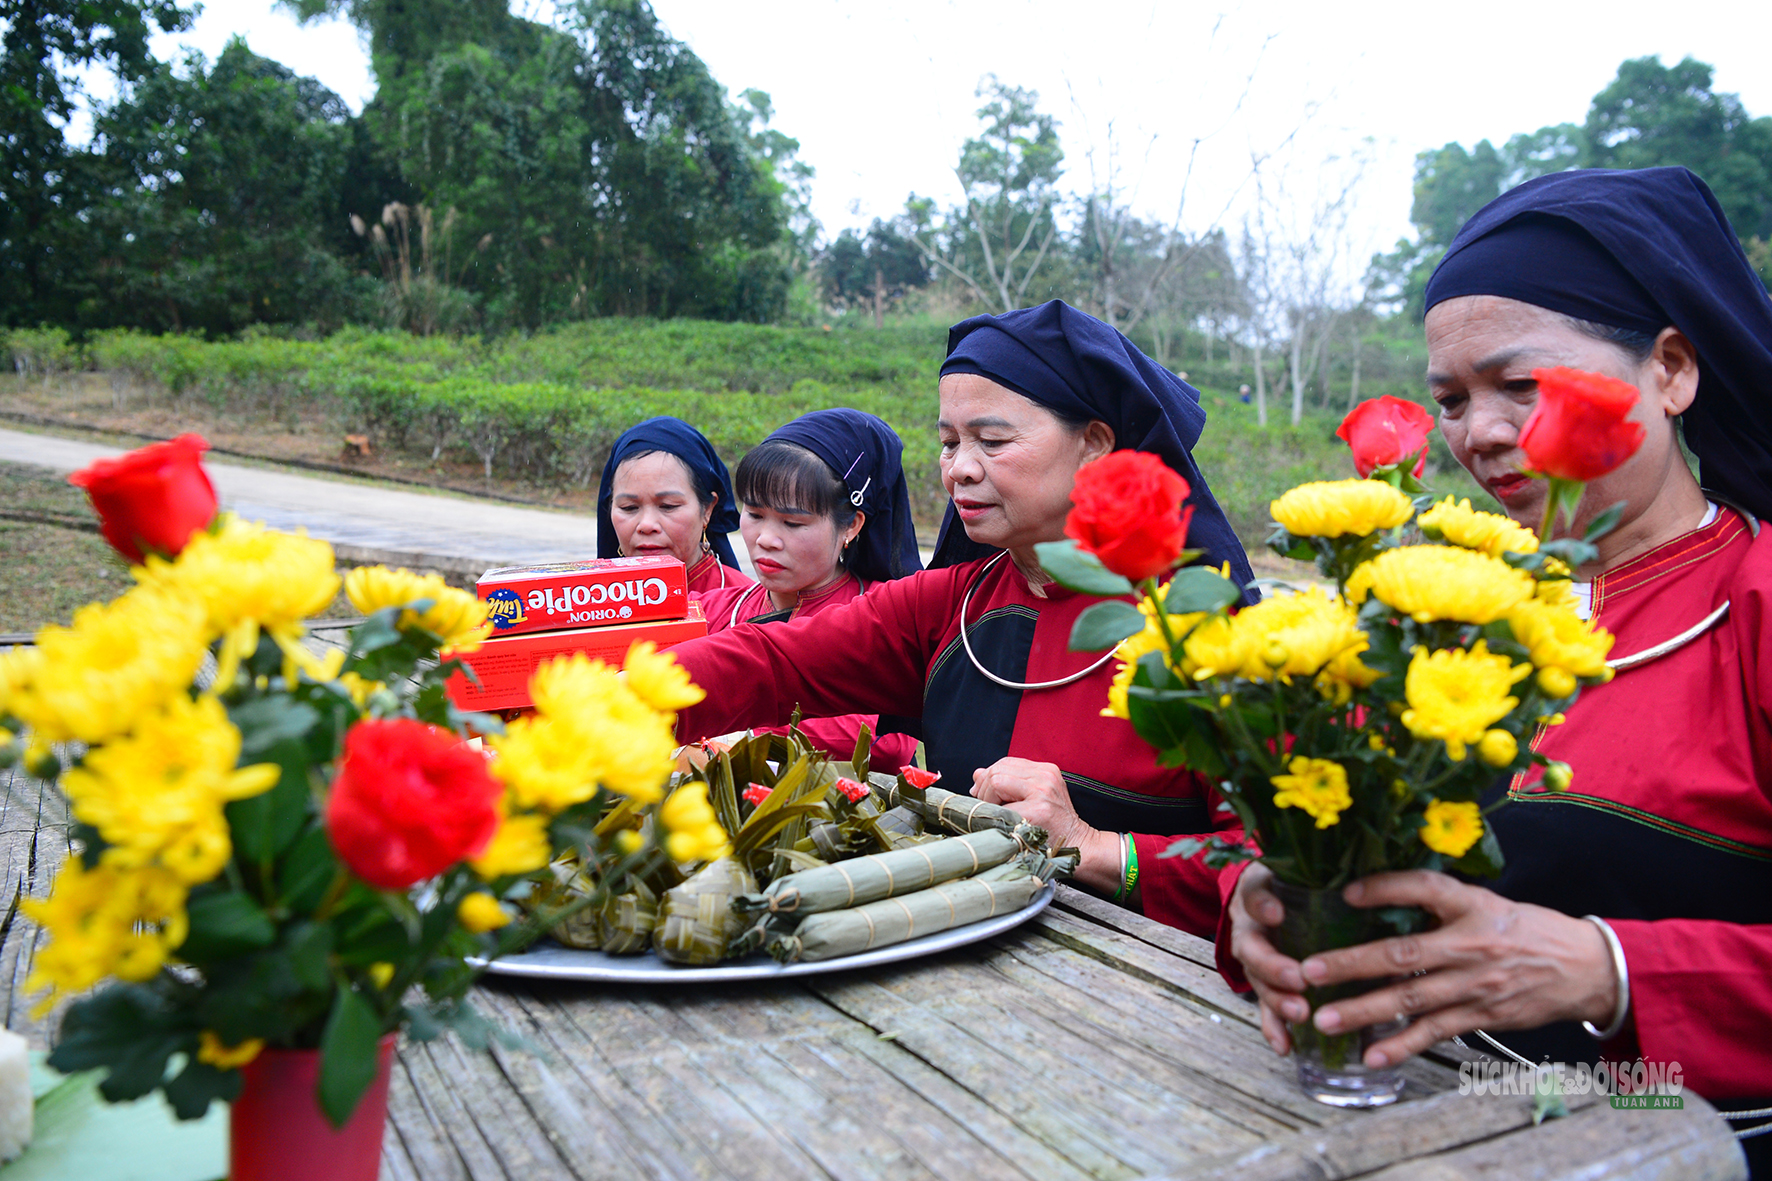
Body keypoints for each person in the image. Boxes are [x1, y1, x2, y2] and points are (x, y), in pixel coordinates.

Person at [1223, 167, 1772, 1158]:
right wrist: (1262, 902)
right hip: (1441, 1120)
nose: (1476, 432)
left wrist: (1608, 969)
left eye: (1517, 385)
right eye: (1448, 398)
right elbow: (1329, 856)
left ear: (1672, 369)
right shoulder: (1434, 621)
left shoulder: (1756, 605)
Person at [669, 301, 1256, 934]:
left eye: (992, 441)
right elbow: (771, 659)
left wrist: (1092, 844)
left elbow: (1285, 877)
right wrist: (604, 702)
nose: (959, 469)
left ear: (1093, 445)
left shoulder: (1208, 634)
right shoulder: (952, 603)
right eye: (949, 443)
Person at [694, 408, 922, 773]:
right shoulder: (711, 612)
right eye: (754, 515)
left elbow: (890, 740)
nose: (766, 540)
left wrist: (741, 733)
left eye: (793, 522)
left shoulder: (885, 616)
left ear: (851, 526)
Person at [597, 417, 754, 596]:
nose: (647, 525)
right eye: (628, 507)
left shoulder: (746, 608)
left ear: (707, 510)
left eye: (668, 506)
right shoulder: (586, 606)